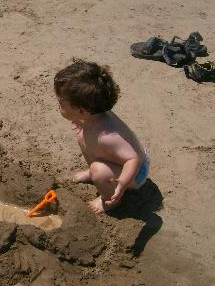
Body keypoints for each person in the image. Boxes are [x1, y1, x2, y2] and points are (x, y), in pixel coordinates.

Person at [53, 60, 149, 214]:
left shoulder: (107, 136)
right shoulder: (91, 115)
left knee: (99, 170)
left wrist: (122, 182)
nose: (58, 104)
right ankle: (95, 172)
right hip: (118, 157)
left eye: (61, 102)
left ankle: (109, 199)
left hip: (136, 171)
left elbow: (133, 159)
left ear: (82, 110)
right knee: (82, 136)